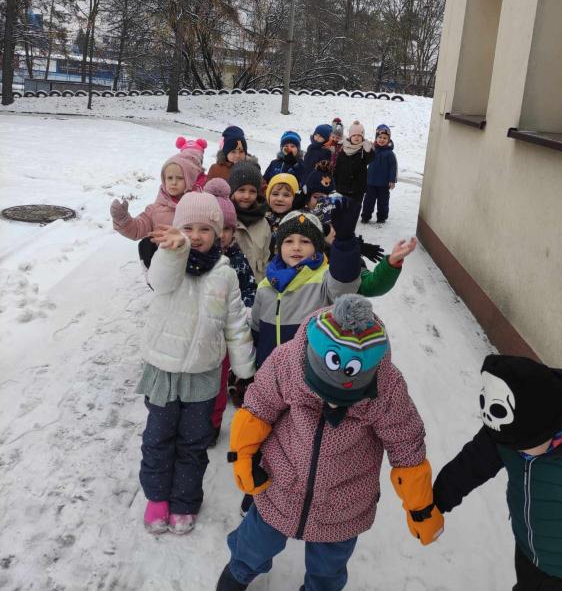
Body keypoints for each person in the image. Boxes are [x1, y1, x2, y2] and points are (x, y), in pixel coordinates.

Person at [215, 294, 443, 591]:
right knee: (254, 542)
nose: (331, 405)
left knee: (328, 568)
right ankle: (239, 571)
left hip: (344, 500)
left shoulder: (387, 387)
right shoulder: (289, 361)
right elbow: (259, 405)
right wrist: (243, 455)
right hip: (282, 482)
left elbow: (406, 445)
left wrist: (420, 507)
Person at [433, 355, 562, 591]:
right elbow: (474, 461)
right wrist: (437, 499)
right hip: (528, 552)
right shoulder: (512, 430)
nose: (516, 452)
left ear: (550, 430)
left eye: (523, 446)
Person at [137, 193, 255, 535]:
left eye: (205, 229)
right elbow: (159, 281)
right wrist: (173, 251)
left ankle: (185, 501)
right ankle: (157, 498)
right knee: (158, 439)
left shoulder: (225, 274)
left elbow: (236, 323)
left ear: (218, 234)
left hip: (203, 375)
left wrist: (245, 371)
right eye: (188, 227)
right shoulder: (168, 261)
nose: (196, 235)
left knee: (193, 442)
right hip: (164, 370)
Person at [250, 201, 362, 369]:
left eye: (305, 241)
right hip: (269, 371)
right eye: (288, 241)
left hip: (309, 372)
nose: (296, 247)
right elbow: (256, 330)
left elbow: (345, 285)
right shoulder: (266, 285)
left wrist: (345, 243)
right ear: (279, 247)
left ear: (317, 247)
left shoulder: (325, 279)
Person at [204, 178, 257, 445]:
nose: (221, 234)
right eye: (215, 228)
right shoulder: (194, 259)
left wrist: (244, 310)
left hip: (225, 334)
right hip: (199, 332)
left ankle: (212, 424)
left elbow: (249, 288)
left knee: (217, 382)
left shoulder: (237, 258)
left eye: (227, 228)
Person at [109, 154, 201, 269]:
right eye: (169, 178)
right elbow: (138, 229)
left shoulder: (200, 205)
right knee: (146, 244)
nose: (174, 182)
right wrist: (122, 219)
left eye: (180, 178)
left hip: (194, 261)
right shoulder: (155, 210)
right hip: (166, 263)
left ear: (189, 180)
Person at [228, 161, 271, 283]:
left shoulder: (263, 223)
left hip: (256, 287)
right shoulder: (225, 220)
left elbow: (265, 258)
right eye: (241, 190)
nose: (247, 196)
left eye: (252, 191)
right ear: (232, 190)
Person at [333, 120, 375, 222]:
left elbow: (370, 159)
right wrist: (335, 182)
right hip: (342, 186)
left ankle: (350, 225)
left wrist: (369, 151)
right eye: (354, 135)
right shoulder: (343, 148)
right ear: (350, 136)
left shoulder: (364, 149)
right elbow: (338, 167)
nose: (357, 137)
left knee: (354, 210)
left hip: (358, 188)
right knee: (342, 209)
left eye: (359, 135)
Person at [361, 124, 397, 224]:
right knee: (368, 201)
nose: (382, 140)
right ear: (376, 138)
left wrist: (392, 180)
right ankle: (365, 216)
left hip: (384, 184)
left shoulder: (390, 154)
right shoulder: (372, 150)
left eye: (385, 138)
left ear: (388, 140)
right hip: (370, 182)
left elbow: (393, 167)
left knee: (383, 202)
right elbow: (364, 160)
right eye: (380, 137)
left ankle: (382, 217)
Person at [264, 173, 300, 259]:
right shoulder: (261, 218)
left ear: (295, 198)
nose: (280, 199)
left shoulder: (300, 220)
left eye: (286, 195)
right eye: (275, 194)